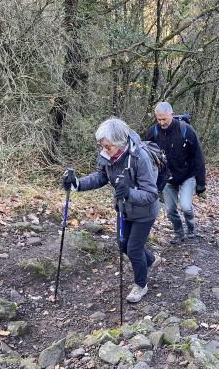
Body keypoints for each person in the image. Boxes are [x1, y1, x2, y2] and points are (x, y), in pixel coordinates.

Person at [62, 117, 160, 303]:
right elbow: (100, 177)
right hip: (124, 209)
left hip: (144, 212)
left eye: (108, 146)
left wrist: (129, 193)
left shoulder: (140, 158)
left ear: (120, 143)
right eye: (102, 146)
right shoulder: (108, 155)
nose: (104, 150)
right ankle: (150, 260)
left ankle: (140, 285)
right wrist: (76, 184)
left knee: (133, 249)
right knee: (123, 245)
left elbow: (151, 194)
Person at [145, 101, 206, 244]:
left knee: (186, 207)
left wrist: (201, 184)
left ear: (171, 115)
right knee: (170, 210)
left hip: (187, 175)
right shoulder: (152, 132)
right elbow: (145, 157)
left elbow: (199, 156)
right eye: (158, 119)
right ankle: (179, 233)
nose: (161, 122)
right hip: (167, 178)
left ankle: (191, 227)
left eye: (164, 119)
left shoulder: (186, 130)